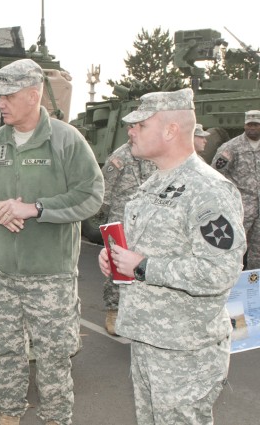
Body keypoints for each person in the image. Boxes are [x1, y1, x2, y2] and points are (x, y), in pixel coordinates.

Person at [0, 59, 104, 425]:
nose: (0, 104)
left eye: (8, 96)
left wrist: (36, 209)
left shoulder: (65, 139)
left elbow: (91, 196)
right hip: (4, 274)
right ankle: (8, 414)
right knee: (5, 351)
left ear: (33, 94)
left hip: (50, 277)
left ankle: (56, 418)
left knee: (54, 356)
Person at [98, 88, 246, 425]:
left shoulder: (208, 190)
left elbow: (219, 272)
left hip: (186, 350)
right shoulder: (154, 184)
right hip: (149, 338)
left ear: (170, 130)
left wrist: (144, 267)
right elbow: (145, 250)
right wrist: (117, 262)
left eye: (141, 124)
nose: (131, 131)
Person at [98, 143, 156, 335]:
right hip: (120, 218)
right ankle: (113, 311)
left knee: (142, 265)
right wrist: (102, 219)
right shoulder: (120, 157)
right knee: (116, 266)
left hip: (147, 219)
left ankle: (136, 312)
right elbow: (104, 189)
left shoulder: (154, 153)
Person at [211, 110, 260, 269]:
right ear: (244, 125)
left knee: (257, 250)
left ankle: (254, 283)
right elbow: (216, 174)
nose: (253, 128)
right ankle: (232, 281)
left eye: (256, 125)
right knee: (234, 245)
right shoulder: (231, 147)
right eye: (249, 124)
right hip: (241, 207)